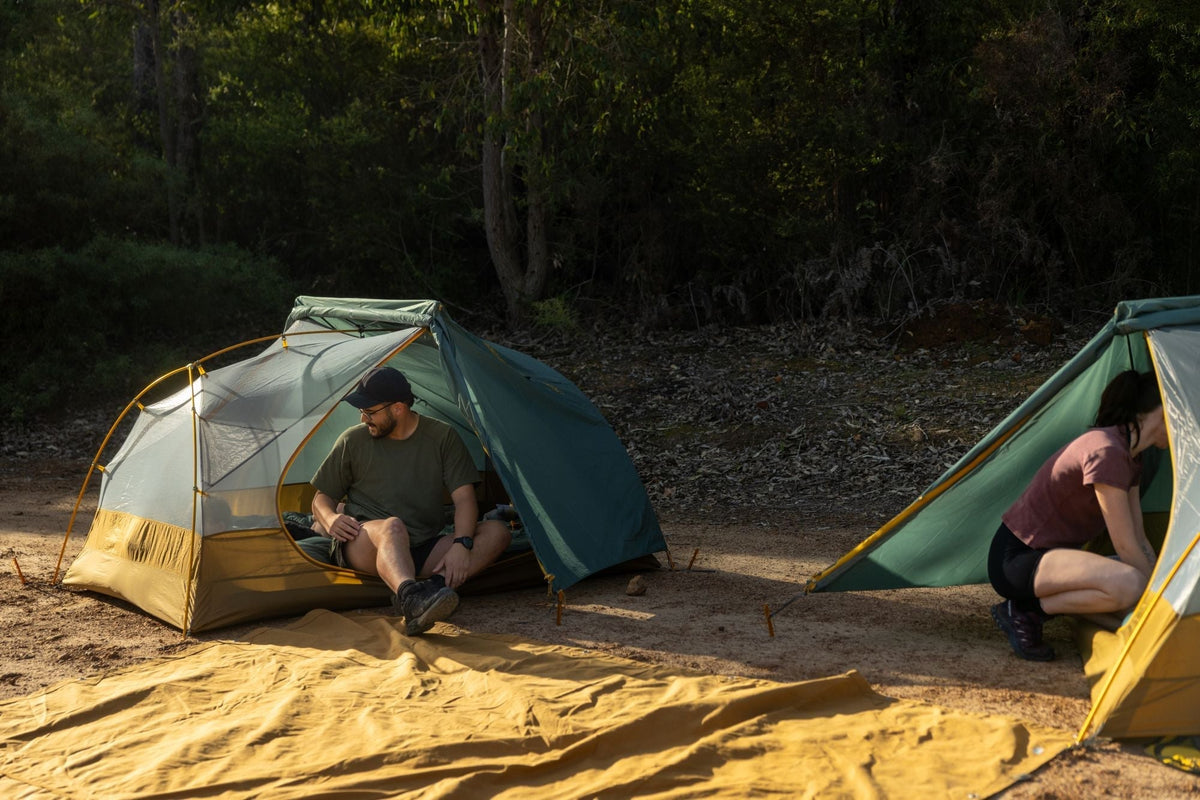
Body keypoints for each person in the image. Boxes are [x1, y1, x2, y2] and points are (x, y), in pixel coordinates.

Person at [304, 366, 511, 635]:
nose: (364, 417)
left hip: (423, 544)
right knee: (393, 527)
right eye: (362, 411)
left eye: (370, 411)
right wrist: (330, 519)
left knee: (498, 532)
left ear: (398, 408)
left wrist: (462, 543)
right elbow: (321, 497)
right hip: (366, 541)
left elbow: (464, 500)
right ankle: (410, 598)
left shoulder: (441, 437)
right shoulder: (353, 440)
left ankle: (432, 591)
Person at [988, 369, 1168, 661]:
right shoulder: (1107, 451)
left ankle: (1056, 609)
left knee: (1133, 595)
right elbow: (1124, 544)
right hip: (1020, 559)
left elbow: (1139, 538)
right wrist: (1159, 600)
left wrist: (1163, 588)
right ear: (1157, 412)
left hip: (1055, 560)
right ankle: (1025, 610)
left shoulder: (1132, 456)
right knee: (1132, 585)